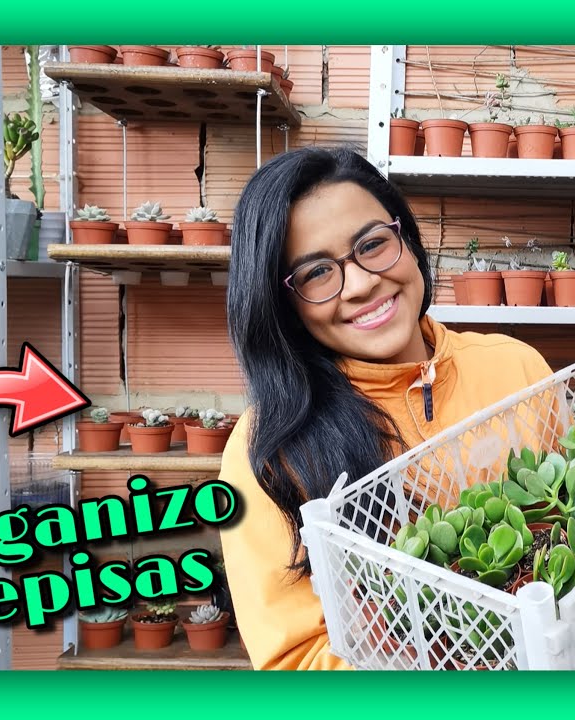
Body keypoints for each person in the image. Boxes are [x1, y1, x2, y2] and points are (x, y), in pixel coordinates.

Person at [217, 146, 555, 670]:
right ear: (283, 306)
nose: (362, 283)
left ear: (408, 241)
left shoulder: (515, 368)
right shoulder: (266, 447)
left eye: (372, 244)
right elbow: (295, 659)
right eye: (316, 274)